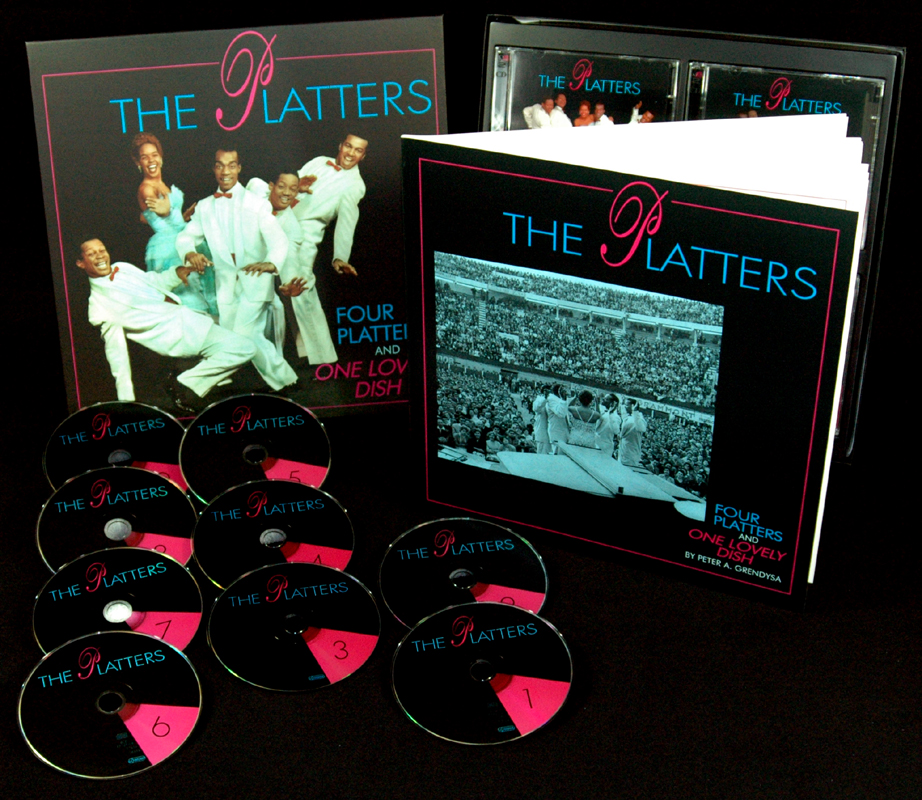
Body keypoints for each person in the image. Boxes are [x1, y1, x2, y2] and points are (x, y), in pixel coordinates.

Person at [75, 238, 256, 412]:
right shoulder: (99, 308)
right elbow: (117, 356)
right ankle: (182, 383)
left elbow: (153, 281)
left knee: (245, 327)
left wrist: (178, 273)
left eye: (102, 250)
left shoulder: (122, 267)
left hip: (191, 318)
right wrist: (127, 404)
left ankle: (187, 373)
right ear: (81, 263)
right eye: (91, 253)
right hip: (183, 337)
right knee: (245, 348)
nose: (100, 256)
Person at [175, 147, 298, 392]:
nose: (225, 171)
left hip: (255, 281)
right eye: (220, 165)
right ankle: (285, 381)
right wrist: (190, 253)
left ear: (239, 168)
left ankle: (192, 384)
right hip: (225, 284)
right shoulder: (205, 207)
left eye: (231, 165)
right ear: (214, 168)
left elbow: (278, 239)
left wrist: (271, 263)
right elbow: (185, 237)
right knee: (240, 338)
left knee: (243, 335)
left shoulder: (257, 204)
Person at [247, 171, 338, 364]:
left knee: (302, 289)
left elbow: (289, 265)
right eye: (282, 187)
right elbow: (252, 184)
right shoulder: (256, 188)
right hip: (240, 252)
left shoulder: (292, 231)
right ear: (271, 186)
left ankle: (321, 357)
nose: (287, 193)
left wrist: (288, 287)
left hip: (270, 257)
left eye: (292, 189)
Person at [132, 133, 218, 316]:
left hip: (183, 236)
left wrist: (182, 217)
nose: (151, 160)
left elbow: (157, 216)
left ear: (161, 157)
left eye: (154, 155)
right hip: (169, 248)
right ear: (138, 162)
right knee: (187, 296)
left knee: (205, 289)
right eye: (144, 157)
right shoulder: (146, 188)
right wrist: (166, 209)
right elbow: (162, 211)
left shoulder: (160, 183)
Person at [293, 134, 367, 288]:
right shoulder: (320, 160)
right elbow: (289, 183)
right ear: (340, 146)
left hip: (306, 229)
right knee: (256, 185)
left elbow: (347, 219)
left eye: (358, 150)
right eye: (348, 146)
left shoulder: (355, 185)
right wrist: (297, 186)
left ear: (363, 156)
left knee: (300, 279)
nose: (351, 153)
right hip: (280, 211)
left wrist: (340, 257)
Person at [619, 399, 648, 467]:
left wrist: (635, 411)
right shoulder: (627, 417)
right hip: (623, 450)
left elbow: (642, 428)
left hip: (632, 453)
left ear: (632, 406)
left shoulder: (639, 418)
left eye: (626, 405)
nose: (624, 407)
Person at [546, 384, 570, 454]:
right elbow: (561, 413)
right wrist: (563, 399)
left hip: (563, 431)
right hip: (557, 432)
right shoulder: (551, 400)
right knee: (558, 454)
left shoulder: (559, 400)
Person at [532, 386, 551, 454]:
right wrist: (545, 398)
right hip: (542, 433)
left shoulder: (553, 401)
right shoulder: (539, 399)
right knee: (542, 453)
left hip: (552, 434)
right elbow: (536, 408)